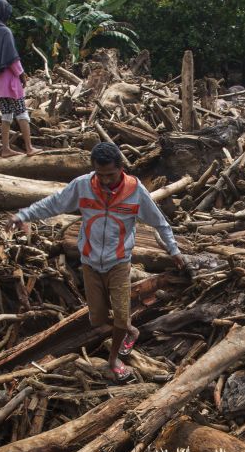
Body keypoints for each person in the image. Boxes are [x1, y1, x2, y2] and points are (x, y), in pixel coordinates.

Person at [11, 142, 184, 382]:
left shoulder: (136, 191)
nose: (105, 181)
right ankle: (129, 330)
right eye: (100, 175)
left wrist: (174, 250)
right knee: (98, 320)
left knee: (121, 318)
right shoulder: (83, 185)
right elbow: (53, 203)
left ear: (121, 168)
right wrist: (23, 215)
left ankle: (114, 359)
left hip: (119, 263)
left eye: (110, 175)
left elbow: (160, 223)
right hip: (90, 262)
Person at [0, 0, 36, 157]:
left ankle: (5, 149)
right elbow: (12, 57)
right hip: (9, 80)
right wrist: (21, 74)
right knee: (21, 112)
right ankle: (29, 148)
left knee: (6, 114)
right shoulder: (4, 31)